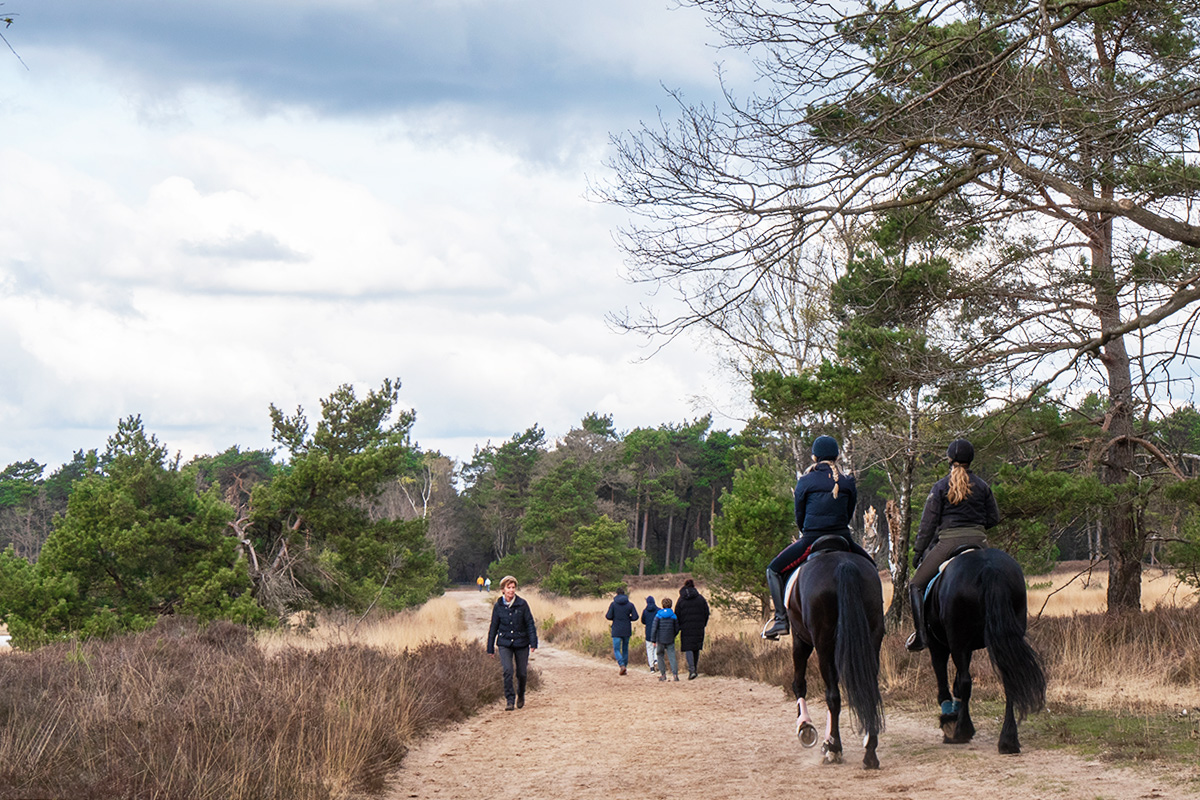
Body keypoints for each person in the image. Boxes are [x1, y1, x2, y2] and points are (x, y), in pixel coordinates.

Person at [761, 435, 874, 640]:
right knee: (871, 568)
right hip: (843, 538)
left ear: (814, 457)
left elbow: (799, 515)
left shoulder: (804, 481)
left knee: (773, 570)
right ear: (837, 456)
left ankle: (780, 620)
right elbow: (849, 512)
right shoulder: (848, 481)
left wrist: (806, 531)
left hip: (812, 539)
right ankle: (874, 614)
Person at [907, 439, 999, 652]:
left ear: (949, 459)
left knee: (916, 585)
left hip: (948, 542)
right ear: (971, 460)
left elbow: (927, 524)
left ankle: (921, 636)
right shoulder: (983, 486)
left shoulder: (940, 487)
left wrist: (919, 551)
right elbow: (993, 518)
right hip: (979, 541)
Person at [486, 575, 538, 710]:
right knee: (507, 671)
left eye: (513, 587)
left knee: (522, 673)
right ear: (503, 590)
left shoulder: (522, 604)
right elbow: (493, 627)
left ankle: (521, 694)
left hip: (521, 642)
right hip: (505, 643)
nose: (511, 590)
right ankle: (510, 699)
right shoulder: (498, 606)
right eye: (508, 588)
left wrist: (533, 642)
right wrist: (490, 648)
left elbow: (530, 624)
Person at [675, 579, 710, 679]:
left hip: (686, 627)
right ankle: (695, 669)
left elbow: (677, 614)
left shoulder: (681, 600)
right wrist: (703, 623)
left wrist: (680, 625)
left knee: (688, 648)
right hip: (699, 627)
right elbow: (706, 612)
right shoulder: (700, 598)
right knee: (696, 647)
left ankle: (691, 670)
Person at [605, 587, 639, 675]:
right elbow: (636, 617)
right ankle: (625, 667)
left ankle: (621, 665)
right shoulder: (630, 605)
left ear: (616, 594)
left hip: (616, 629)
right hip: (626, 629)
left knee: (616, 649)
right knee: (625, 649)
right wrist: (628, 618)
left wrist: (615, 618)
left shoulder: (613, 604)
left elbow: (608, 616)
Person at [648, 597, 681, 681]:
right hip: (670, 639)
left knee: (660, 656)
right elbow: (677, 628)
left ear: (662, 605)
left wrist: (653, 640)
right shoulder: (673, 616)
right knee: (672, 656)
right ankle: (675, 675)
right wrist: (673, 635)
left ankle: (663, 675)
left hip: (660, 639)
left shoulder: (658, 615)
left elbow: (654, 628)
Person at [640, 595, 659, 671]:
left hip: (648, 632)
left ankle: (651, 667)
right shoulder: (658, 610)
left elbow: (643, 621)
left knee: (649, 649)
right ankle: (656, 660)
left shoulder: (645, 611)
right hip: (657, 632)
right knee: (656, 648)